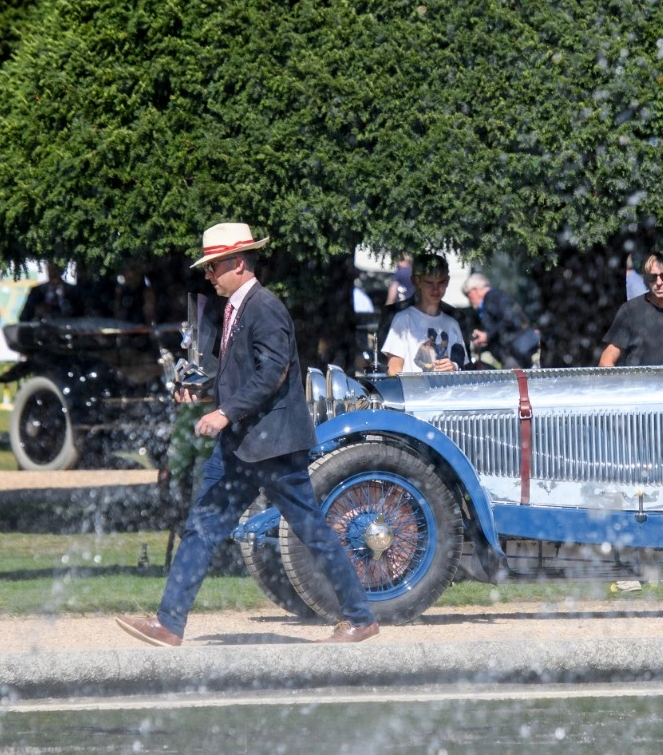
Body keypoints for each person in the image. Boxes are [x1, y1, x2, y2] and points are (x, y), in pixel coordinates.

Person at [116, 222, 377, 646]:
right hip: (242, 442)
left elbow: (273, 373)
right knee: (203, 525)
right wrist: (202, 388)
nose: (208, 274)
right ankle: (169, 624)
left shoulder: (265, 307)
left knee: (310, 528)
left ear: (238, 263)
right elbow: (239, 373)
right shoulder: (236, 308)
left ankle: (360, 618)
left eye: (213, 266)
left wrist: (225, 413)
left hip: (271, 443)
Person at [383, 253, 466, 374]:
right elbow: (394, 370)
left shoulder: (452, 324)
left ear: (447, 281)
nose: (436, 289)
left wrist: (453, 366)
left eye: (441, 282)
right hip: (414, 392)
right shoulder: (404, 320)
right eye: (429, 283)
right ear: (417, 281)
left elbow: (462, 367)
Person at [465, 272, 538, 369]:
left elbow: (509, 319)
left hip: (513, 354)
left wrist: (488, 335)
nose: (470, 301)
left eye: (469, 295)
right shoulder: (496, 296)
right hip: (515, 352)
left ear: (475, 290)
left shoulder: (491, 298)